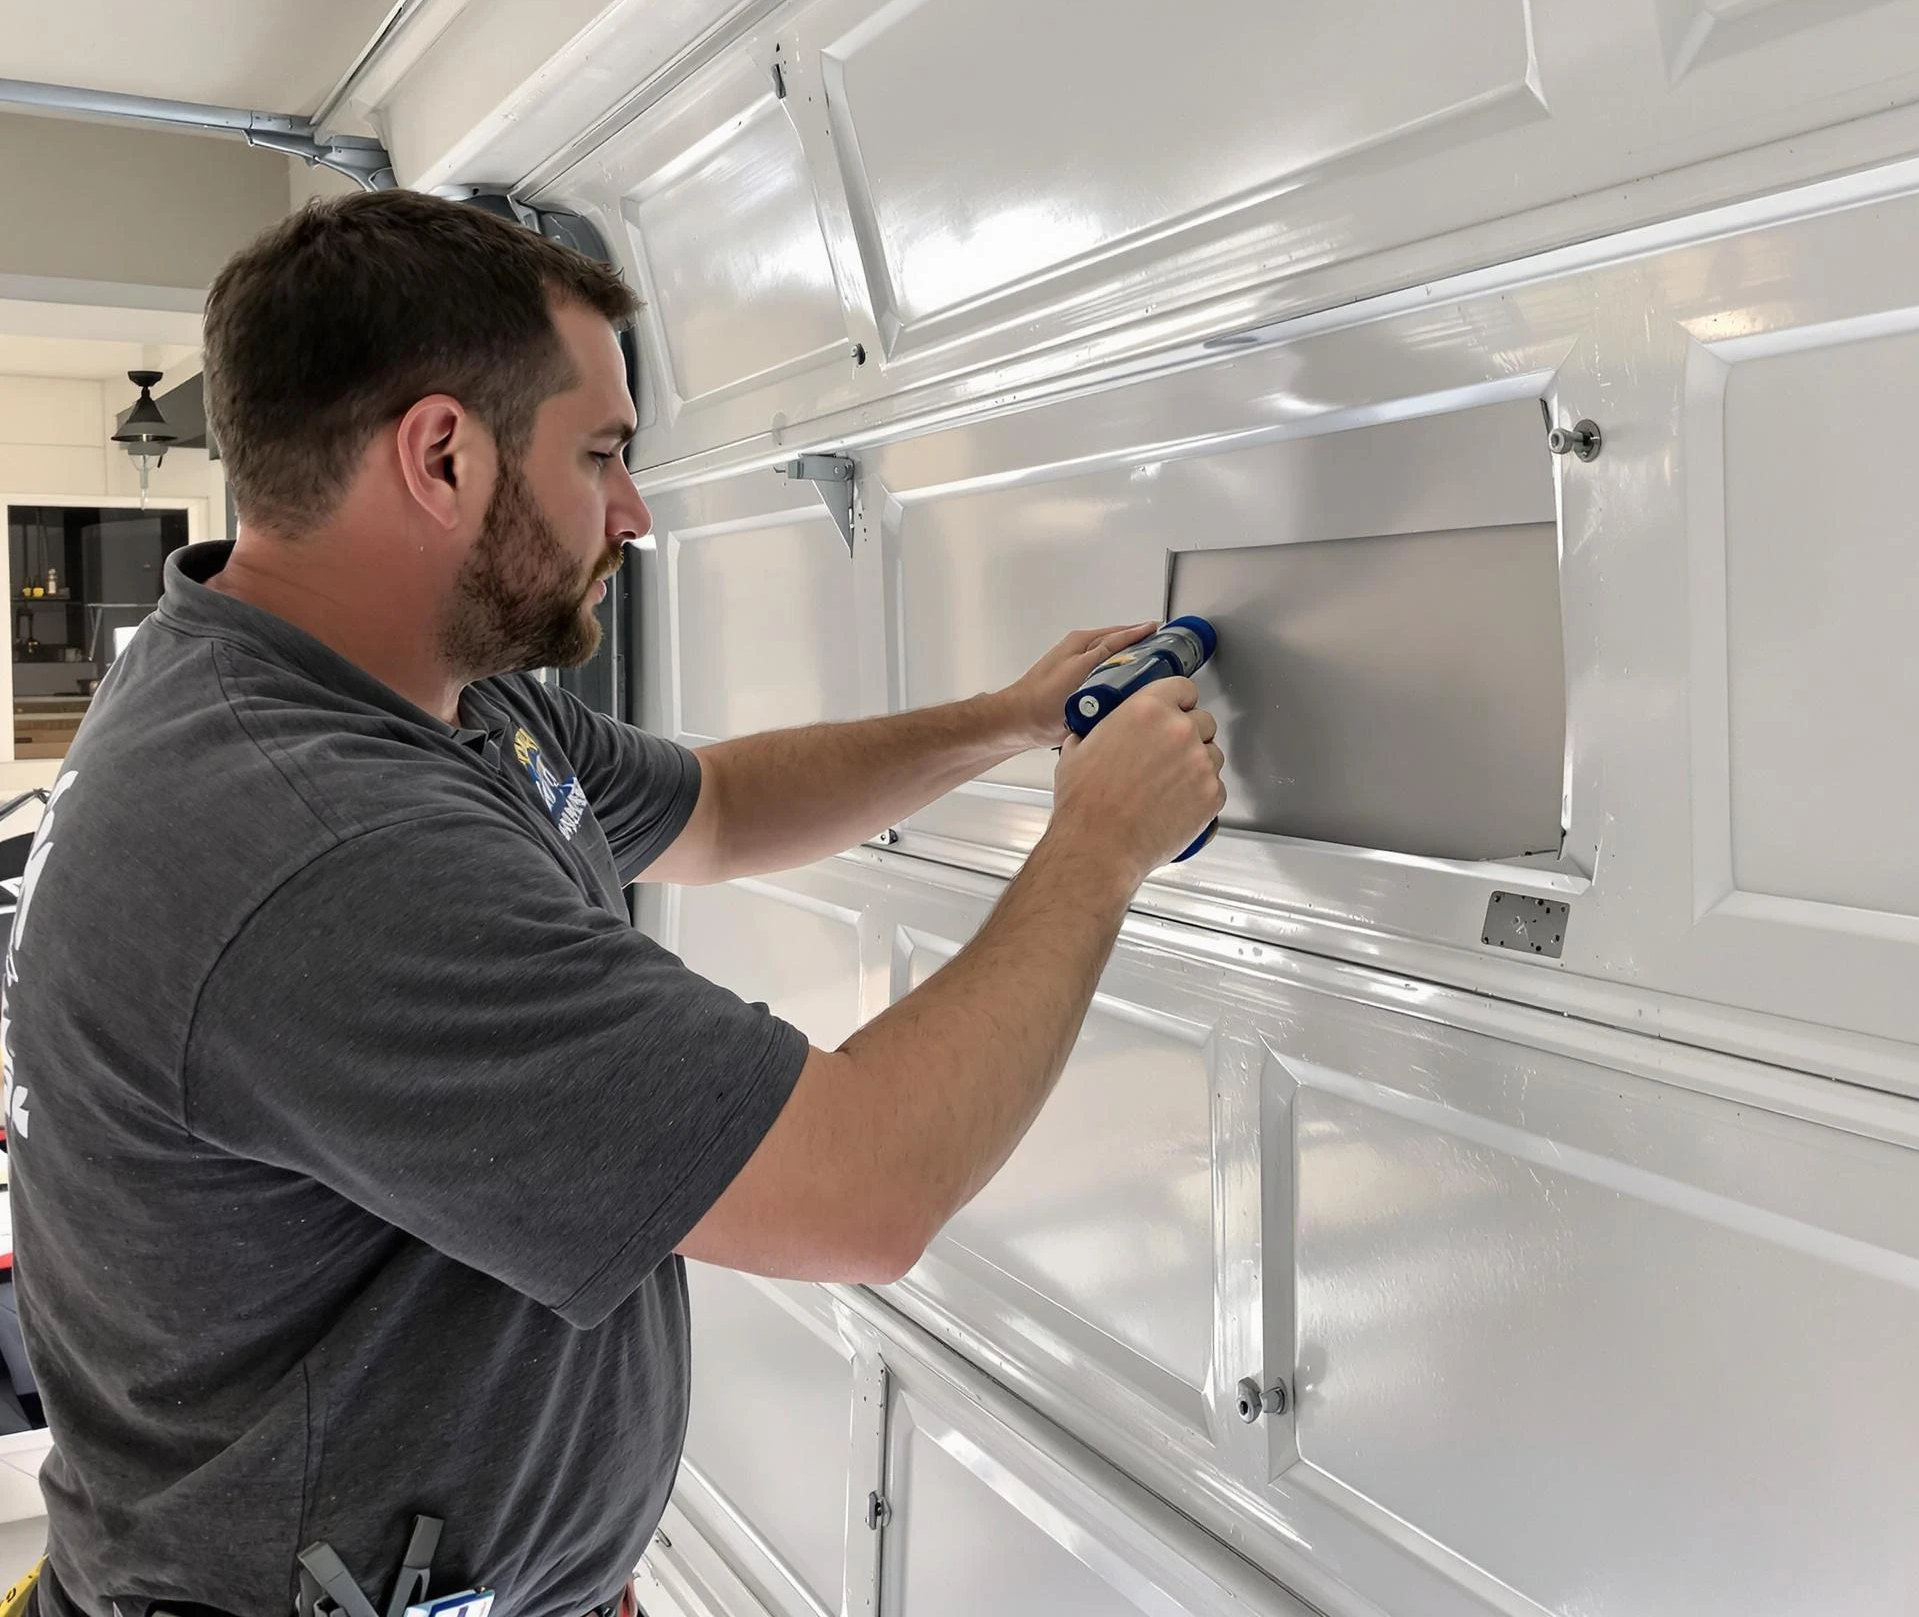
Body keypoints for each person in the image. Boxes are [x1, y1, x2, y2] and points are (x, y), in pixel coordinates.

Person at [0, 191, 1224, 1617]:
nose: (634, 515)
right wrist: (1097, 848)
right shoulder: (321, 846)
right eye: (602, 454)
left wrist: (1005, 722)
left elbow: (719, 808)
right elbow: (867, 1188)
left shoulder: (393, 685)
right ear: (443, 456)